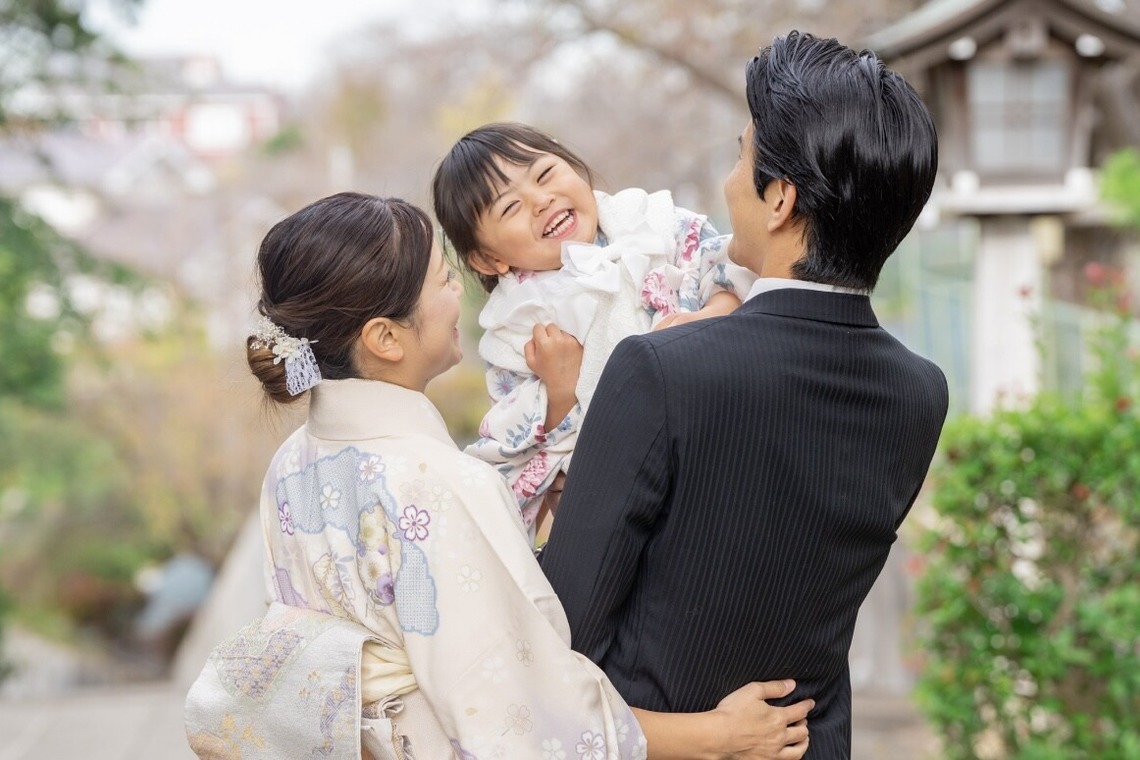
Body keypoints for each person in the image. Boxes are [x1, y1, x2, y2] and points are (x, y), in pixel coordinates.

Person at [183, 192, 814, 760]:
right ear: (384, 338)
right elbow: (521, 719)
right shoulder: (435, 481)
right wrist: (716, 736)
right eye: (441, 280)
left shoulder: (292, 462)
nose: (460, 291)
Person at [540, 31, 949, 759]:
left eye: (741, 157)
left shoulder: (661, 371)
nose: (731, 182)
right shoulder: (919, 393)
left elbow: (559, 638)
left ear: (781, 199)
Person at [432, 123, 756, 542]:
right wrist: (563, 393)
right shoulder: (518, 330)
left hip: (727, 447)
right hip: (636, 513)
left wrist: (716, 312)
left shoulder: (651, 224)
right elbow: (520, 454)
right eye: (510, 208)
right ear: (488, 258)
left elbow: (730, 262)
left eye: (545, 174)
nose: (540, 200)